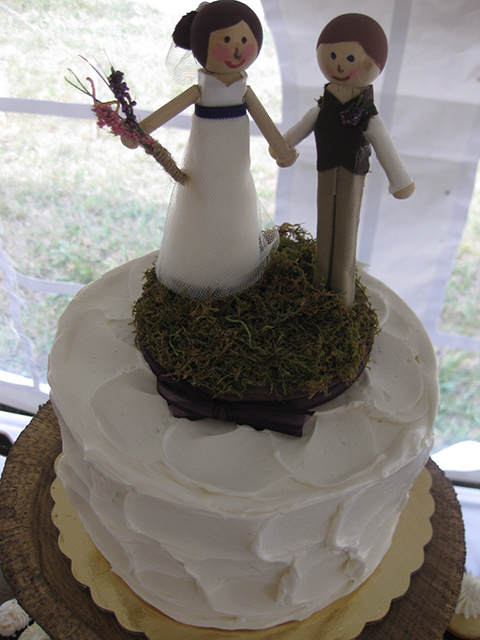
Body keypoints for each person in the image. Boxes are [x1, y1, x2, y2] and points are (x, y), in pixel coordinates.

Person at [124, 0, 297, 299]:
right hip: (206, 152)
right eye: (226, 40)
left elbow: (264, 120)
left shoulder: (243, 90)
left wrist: (281, 149)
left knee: (235, 201)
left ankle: (235, 266)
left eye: (244, 39)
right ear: (200, 45)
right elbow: (167, 111)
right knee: (202, 199)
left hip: (236, 159)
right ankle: (197, 269)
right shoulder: (201, 90)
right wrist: (138, 131)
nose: (237, 49)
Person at [282, 13, 414, 306]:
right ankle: (319, 284)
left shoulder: (366, 114)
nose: (340, 65)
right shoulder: (323, 108)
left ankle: (342, 294)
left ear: (372, 63)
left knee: (345, 231)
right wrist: (284, 146)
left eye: (351, 57)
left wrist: (400, 180)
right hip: (326, 170)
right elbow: (301, 128)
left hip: (352, 174)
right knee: (324, 226)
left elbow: (384, 145)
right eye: (332, 56)